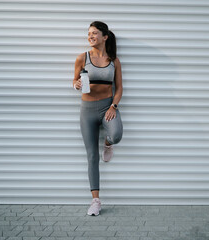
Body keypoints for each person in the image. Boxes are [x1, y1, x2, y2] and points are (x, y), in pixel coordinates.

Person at [72, 21, 123, 216]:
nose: (90, 36)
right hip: (87, 110)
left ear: (105, 36)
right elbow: (74, 80)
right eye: (88, 34)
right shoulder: (81, 58)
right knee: (92, 156)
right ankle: (95, 201)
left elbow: (119, 89)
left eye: (94, 33)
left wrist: (113, 106)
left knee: (116, 135)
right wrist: (76, 84)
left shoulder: (114, 61)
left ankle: (108, 143)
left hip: (107, 107)